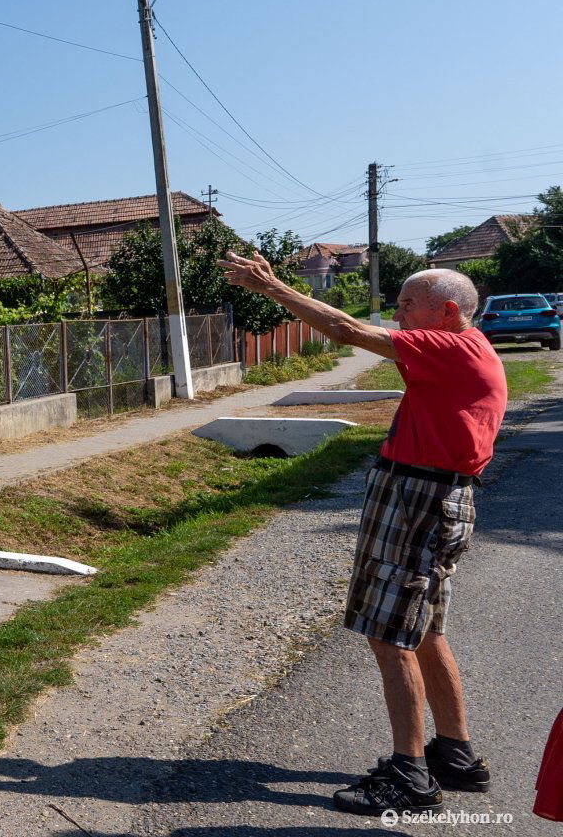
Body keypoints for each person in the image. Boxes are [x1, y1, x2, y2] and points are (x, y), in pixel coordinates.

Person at [217, 254, 506, 817]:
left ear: (447, 312)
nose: (396, 314)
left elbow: (349, 330)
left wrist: (272, 286)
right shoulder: (464, 350)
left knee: (389, 632)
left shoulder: (452, 347)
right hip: (434, 495)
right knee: (423, 630)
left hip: (417, 498)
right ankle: (455, 754)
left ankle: (410, 777)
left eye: (405, 305)